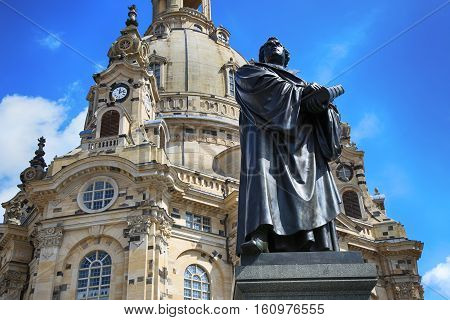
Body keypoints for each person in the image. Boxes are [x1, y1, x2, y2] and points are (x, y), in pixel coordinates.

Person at [236, 37, 343, 255]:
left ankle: (315, 239)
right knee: (263, 176)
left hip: (303, 146)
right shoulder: (249, 72)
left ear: (286, 56)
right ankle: (261, 234)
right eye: (268, 44)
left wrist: (322, 105)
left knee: (311, 186)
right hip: (267, 140)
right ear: (262, 56)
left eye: (278, 44)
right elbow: (263, 93)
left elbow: (325, 116)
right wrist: (302, 94)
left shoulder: (302, 84)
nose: (273, 41)